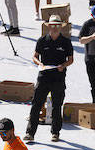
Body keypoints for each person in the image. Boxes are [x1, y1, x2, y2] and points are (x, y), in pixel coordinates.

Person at [25, 14, 74, 142]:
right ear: (49, 26)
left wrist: (63, 65)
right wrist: (39, 63)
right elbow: (35, 56)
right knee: (36, 104)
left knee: (57, 105)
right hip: (44, 76)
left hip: (58, 77)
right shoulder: (42, 40)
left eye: (57, 26)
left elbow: (71, 59)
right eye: (53, 26)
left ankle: (55, 132)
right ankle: (30, 133)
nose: (55, 28)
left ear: (61, 27)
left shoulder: (66, 42)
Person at [79, 5, 95, 104]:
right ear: (92, 15)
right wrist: (91, 37)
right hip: (91, 61)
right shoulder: (87, 25)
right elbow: (81, 40)